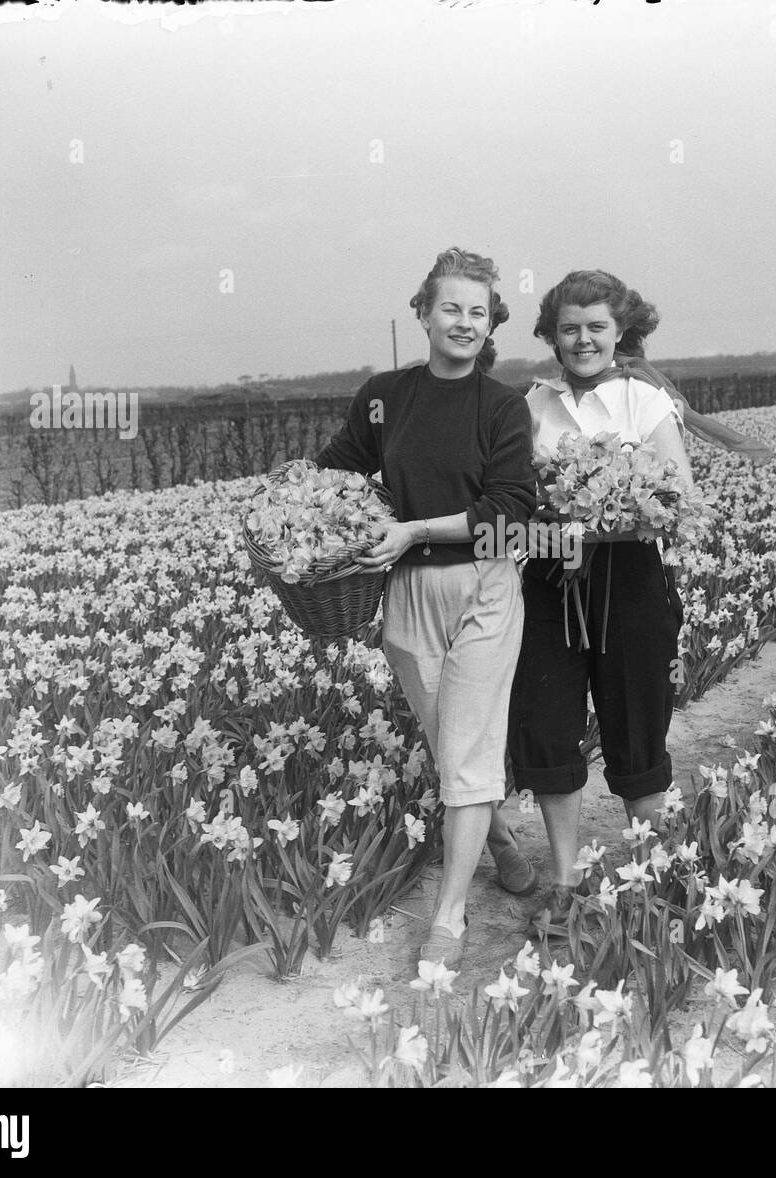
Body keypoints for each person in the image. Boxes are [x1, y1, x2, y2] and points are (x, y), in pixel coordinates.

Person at [315, 246, 537, 968]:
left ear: (491, 322)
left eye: (479, 311)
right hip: (405, 592)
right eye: (451, 308)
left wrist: (413, 527)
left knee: (467, 749)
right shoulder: (384, 396)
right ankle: (498, 836)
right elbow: (337, 471)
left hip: (483, 587)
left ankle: (449, 917)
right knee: (452, 744)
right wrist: (301, 517)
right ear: (423, 313)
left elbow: (510, 514)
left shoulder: (501, 406)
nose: (465, 322)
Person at [508, 270, 698, 932]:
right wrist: (558, 521)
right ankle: (566, 882)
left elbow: (677, 498)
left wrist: (608, 513)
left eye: (596, 326)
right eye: (569, 328)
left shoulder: (644, 400)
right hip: (550, 583)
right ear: (552, 336)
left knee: (637, 735)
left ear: (621, 331)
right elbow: (508, 505)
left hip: (632, 583)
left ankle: (659, 877)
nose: (582, 339)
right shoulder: (532, 404)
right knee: (550, 729)